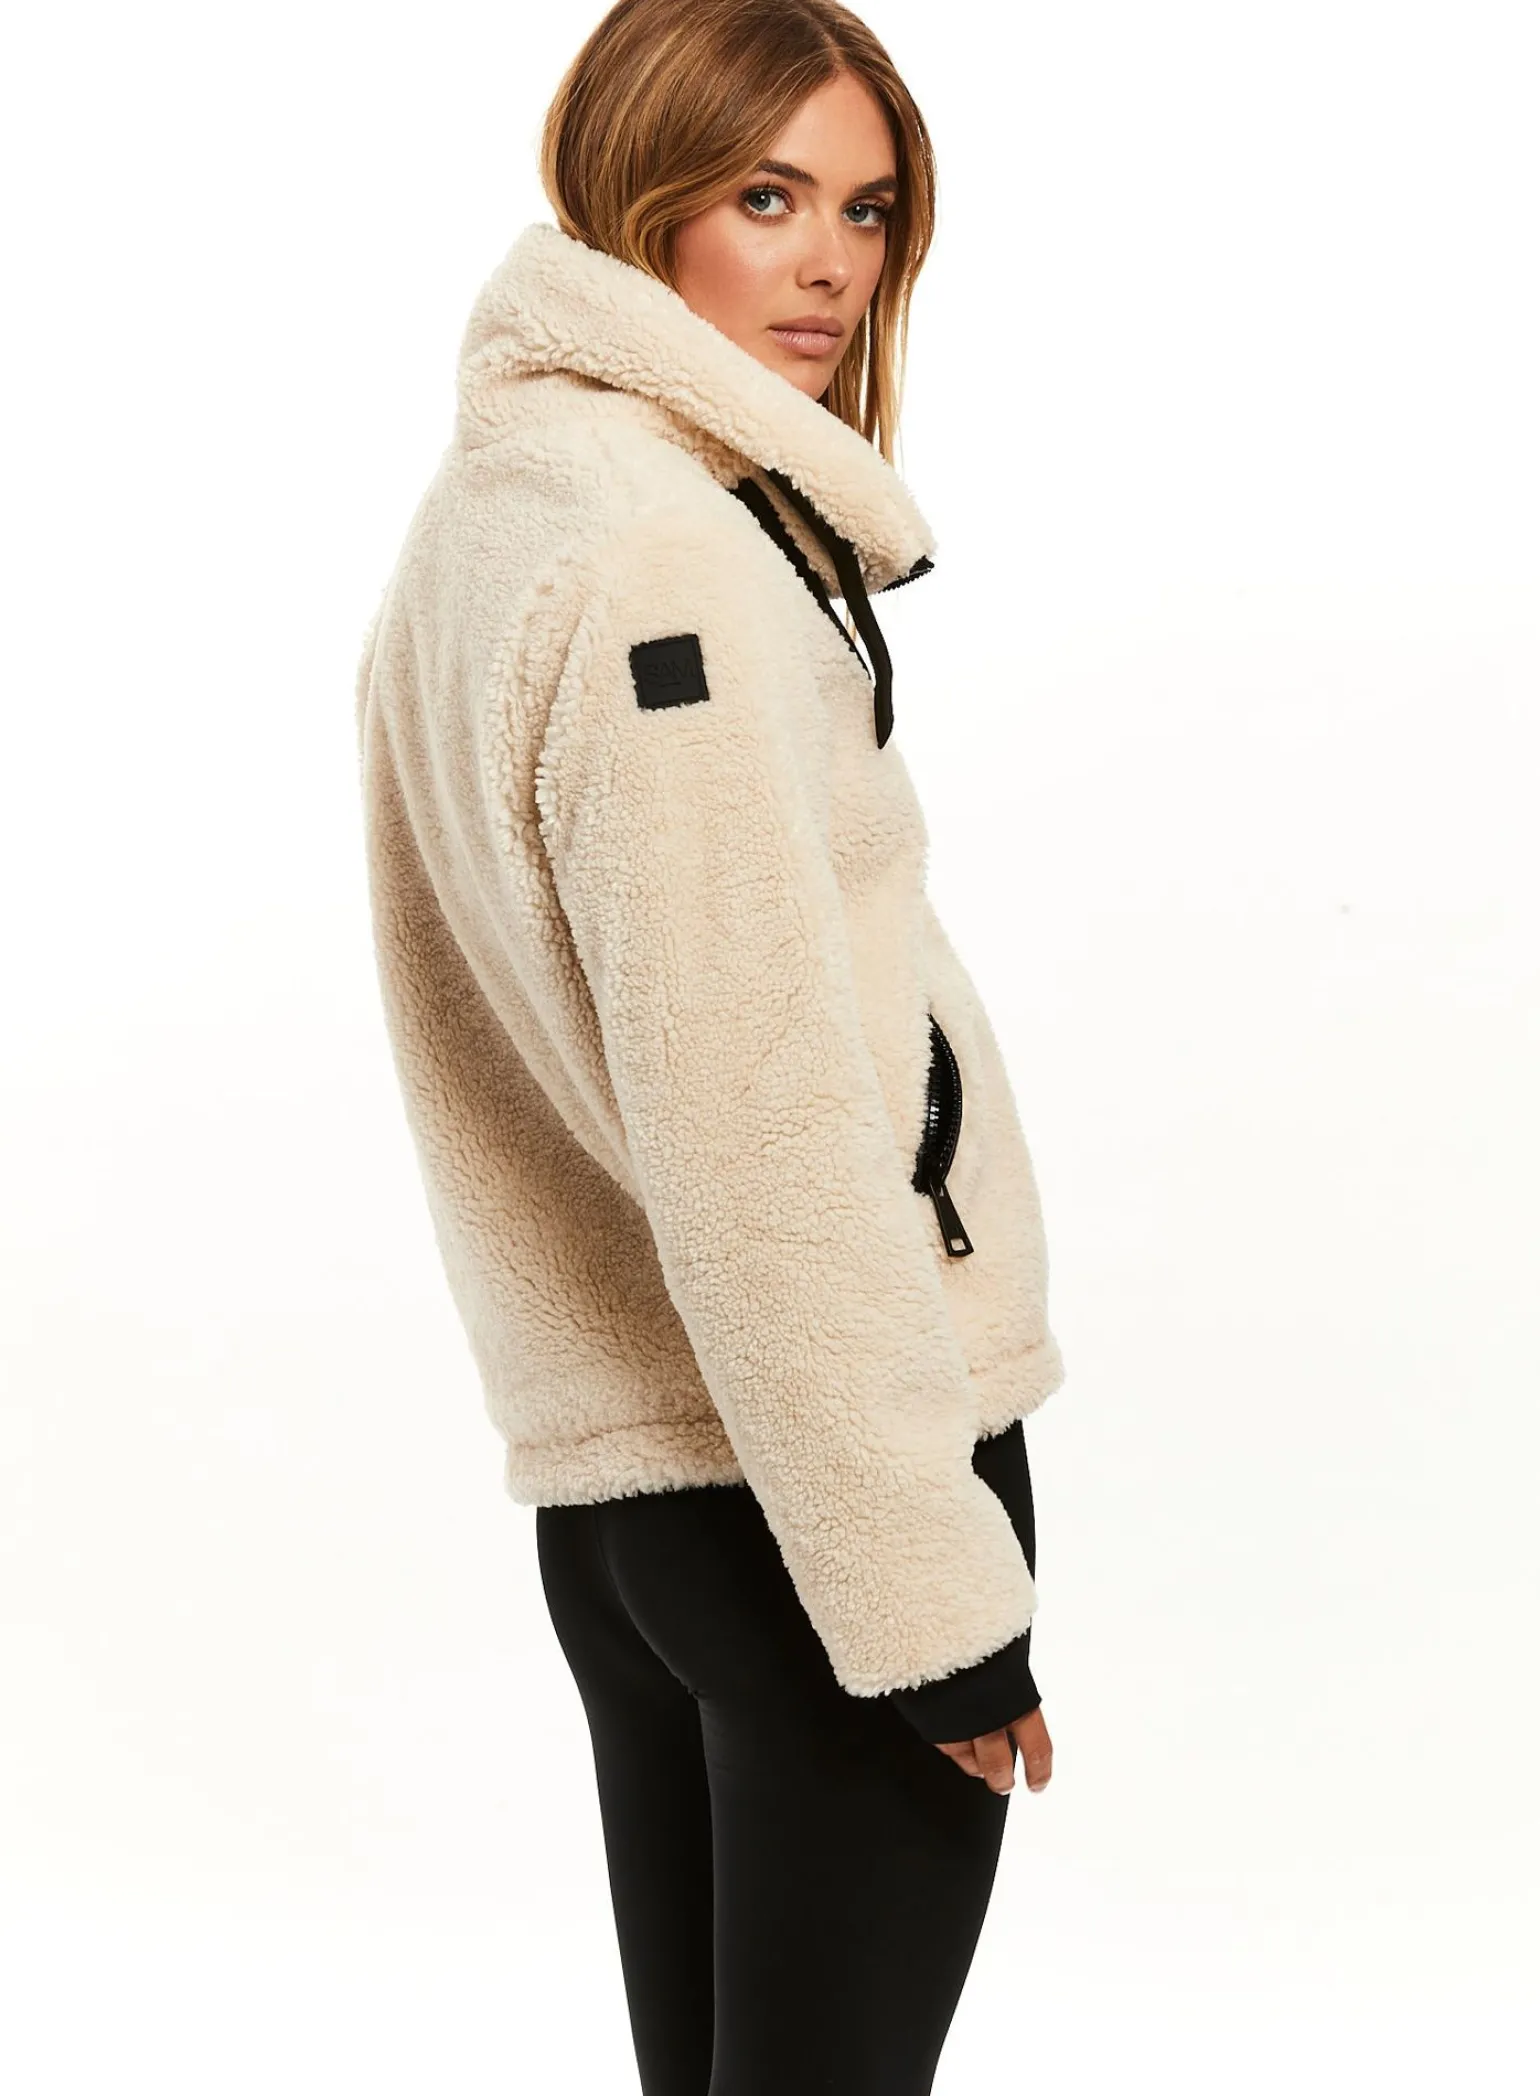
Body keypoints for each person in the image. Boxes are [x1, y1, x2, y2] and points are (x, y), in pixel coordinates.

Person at [354, 2, 1067, 2087]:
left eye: (868, 208)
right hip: (813, 1483)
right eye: (764, 198)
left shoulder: (496, 514)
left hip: (637, 1501)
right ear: (632, 190)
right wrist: (923, 1588)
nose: (830, 264)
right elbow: (751, 1111)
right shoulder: (662, 557)